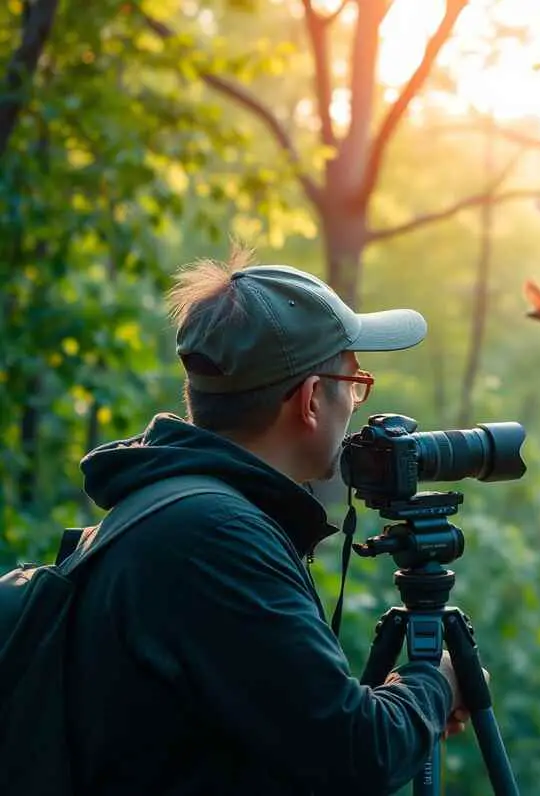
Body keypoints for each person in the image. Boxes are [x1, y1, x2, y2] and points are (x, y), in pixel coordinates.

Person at [66, 247, 474, 795]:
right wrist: (438, 683)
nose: (355, 403)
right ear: (310, 400)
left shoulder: (168, 506)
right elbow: (354, 755)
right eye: (355, 384)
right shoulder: (215, 538)